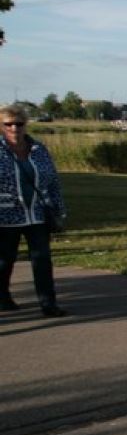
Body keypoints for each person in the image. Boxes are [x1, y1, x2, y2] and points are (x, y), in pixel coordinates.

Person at [0, 104, 68, 317]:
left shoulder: (38, 150)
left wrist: (59, 210)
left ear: (25, 125)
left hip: (37, 214)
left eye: (19, 124)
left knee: (42, 260)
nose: (14, 128)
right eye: (8, 124)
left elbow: (52, 181)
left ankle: (48, 303)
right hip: (6, 215)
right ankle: (3, 297)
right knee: (4, 260)